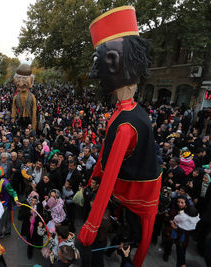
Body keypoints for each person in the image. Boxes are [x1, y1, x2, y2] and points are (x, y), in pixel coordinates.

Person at [77, 7, 161, 267]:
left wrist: (90, 226)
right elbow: (104, 153)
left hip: (138, 188)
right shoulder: (126, 111)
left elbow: (110, 176)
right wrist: (93, 178)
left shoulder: (125, 125)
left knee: (141, 238)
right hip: (133, 179)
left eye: (96, 62)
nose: (93, 73)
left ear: (113, 62)